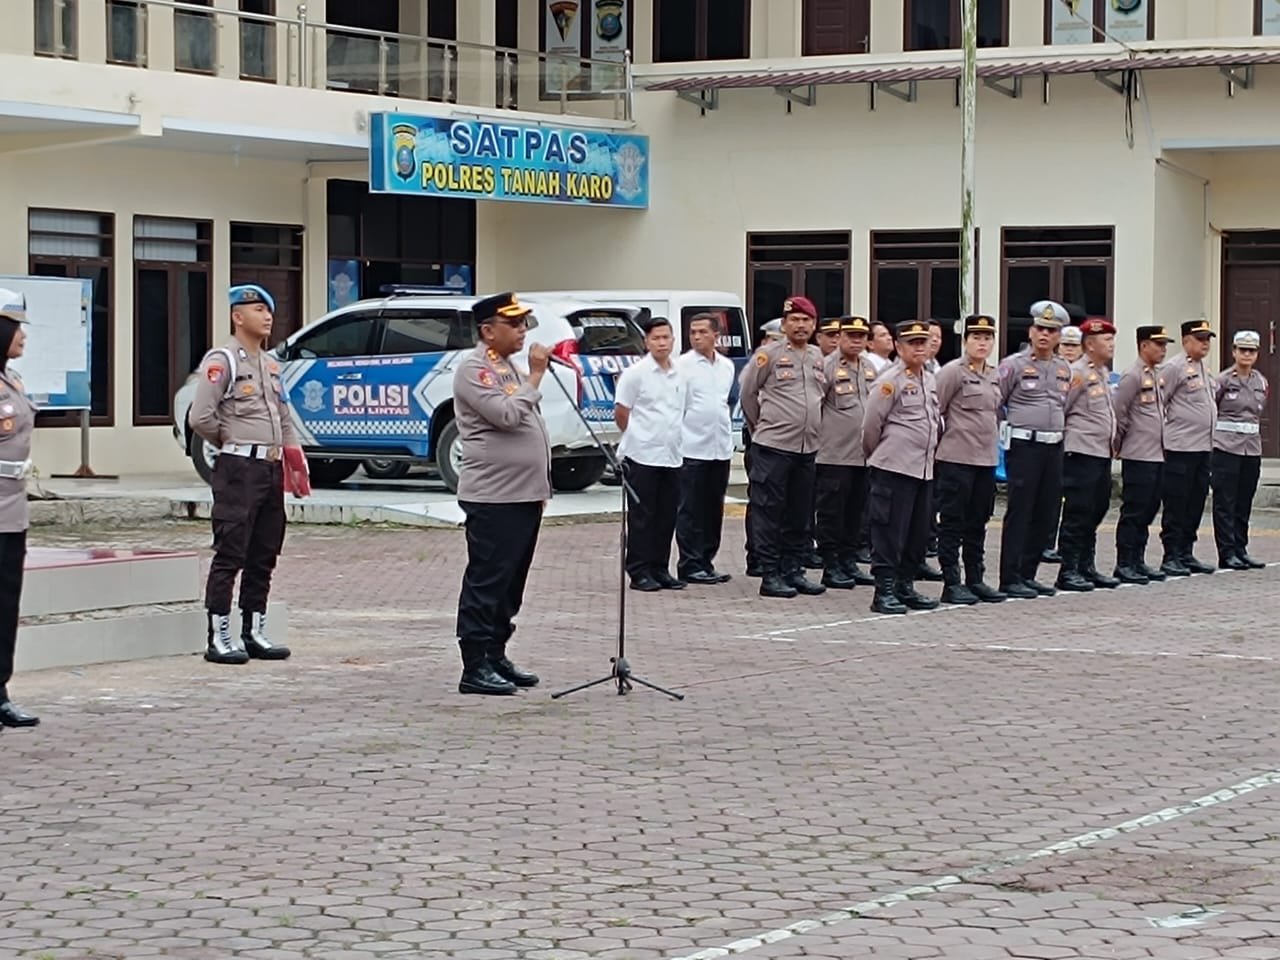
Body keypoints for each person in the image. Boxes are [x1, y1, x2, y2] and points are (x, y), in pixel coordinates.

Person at [191, 284, 307, 665]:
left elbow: (283, 417)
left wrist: (292, 458)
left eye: (268, 310)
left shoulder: (271, 364)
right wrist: (231, 441)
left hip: (269, 468)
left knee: (264, 552)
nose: (267, 316)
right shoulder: (222, 360)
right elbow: (200, 417)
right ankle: (219, 634)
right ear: (237, 317)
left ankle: (253, 629)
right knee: (231, 551)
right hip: (239, 467)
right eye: (257, 309)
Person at [452, 292, 551, 695]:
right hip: (494, 496)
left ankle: (496, 653)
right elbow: (508, 416)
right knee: (488, 579)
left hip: (522, 493)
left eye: (525, 323)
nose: (523, 331)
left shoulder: (506, 366)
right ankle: (474, 664)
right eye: (515, 324)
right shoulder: (476, 369)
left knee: (512, 582)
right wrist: (536, 377)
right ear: (488, 330)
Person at [738, 295, 826, 599]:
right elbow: (748, 394)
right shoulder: (769, 355)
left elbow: (821, 397)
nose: (800, 326)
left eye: (806, 321)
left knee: (800, 514)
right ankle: (770, 573)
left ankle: (794, 570)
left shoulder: (817, 356)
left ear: (814, 325)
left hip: (807, 448)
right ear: (784, 324)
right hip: (773, 447)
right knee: (769, 512)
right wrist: (760, 427)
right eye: (794, 320)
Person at [861, 320, 942, 614]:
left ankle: (905, 586)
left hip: (923, 468)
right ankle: (884, 591)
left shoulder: (929, 378)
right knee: (889, 531)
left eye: (924, 342)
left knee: (917, 532)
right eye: (912, 343)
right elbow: (871, 426)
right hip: (894, 467)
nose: (920, 348)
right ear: (898, 347)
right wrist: (879, 455)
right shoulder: (889, 380)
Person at [997, 300, 1072, 599]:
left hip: (1053, 446)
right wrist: (1010, 431)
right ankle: (1010, 575)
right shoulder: (1013, 365)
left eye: (1051, 331)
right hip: (1025, 445)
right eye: (1040, 328)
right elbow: (995, 403)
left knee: (1046, 512)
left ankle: (1028, 573)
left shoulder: (1063, 368)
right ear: (1031, 331)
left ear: (1058, 337)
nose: (1044, 335)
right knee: (1021, 510)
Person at [933, 314, 1004, 605]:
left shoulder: (994, 374)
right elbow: (935, 411)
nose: (982, 343)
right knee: (952, 522)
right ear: (965, 342)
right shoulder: (953, 372)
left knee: (978, 521)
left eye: (987, 338)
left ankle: (976, 579)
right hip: (956, 458)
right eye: (976, 337)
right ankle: (952, 581)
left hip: (985, 460)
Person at [616, 316, 687, 592]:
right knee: (642, 517)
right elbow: (622, 412)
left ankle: (660, 567)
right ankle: (639, 570)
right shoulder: (636, 374)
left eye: (666, 337)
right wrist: (637, 437)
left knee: (667, 515)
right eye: (656, 338)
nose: (661, 342)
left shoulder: (679, 373)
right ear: (646, 341)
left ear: (672, 340)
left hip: (672, 455)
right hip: (642, 454)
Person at [1056, 318, 1120, 592]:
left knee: (1098, 507)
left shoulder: (1102, 372)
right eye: (1107, 341)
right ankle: (1068, 568)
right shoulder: (1077, 373)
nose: (1112, 345)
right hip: (1081, 451)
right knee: (1078, 511)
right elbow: (1063, 409)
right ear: (1090, 344)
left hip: (1101, 452)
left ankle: (1086, 565)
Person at [0, 290, 39, 728]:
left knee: (6, 603)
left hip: (12, 510)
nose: (23, 335)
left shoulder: (12, 381)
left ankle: (0, 691)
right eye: (16, 327)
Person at [814, 316, 877, 590]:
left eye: (861, 336)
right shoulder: (827, 366)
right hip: (834, 455)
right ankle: (831, 565)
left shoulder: (870, 366)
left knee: (856, 513)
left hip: (862, 455)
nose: (856, 341)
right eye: (851, 335)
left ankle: (849, 561)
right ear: (839, 337)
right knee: (832, 513)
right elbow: (814, 406)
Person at [675, 313, 735, 585]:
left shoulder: (726, 366)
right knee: (690, 509)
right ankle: (690, 563)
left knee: (713, 508)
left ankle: (707, 560)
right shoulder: (682, 366)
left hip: (719, 446)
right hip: (691, 446)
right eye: (692, 332)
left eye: (702, 332)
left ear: (716, 335)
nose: (697, 337)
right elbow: (678, 406)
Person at [1111, 325, 1174, 584]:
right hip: (1138, 453)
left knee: (1149, 508)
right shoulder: (1132, 375)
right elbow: (1120, 412)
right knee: (1134, 509)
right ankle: (1125, 562)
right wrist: (1118, 444)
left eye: (1164, 345)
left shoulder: (1156, 375)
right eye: (1158, 344)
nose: (1163, 350)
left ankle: (1138, 559)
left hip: (1157, 453)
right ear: (1143, 345)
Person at [1158, 320, 1218, 577]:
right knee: (1177, 504)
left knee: (1195, 502)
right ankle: (1171, 555)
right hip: (1180, 449)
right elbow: (1161, 403)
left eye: (1207, 338)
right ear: (1185, 341)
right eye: (1199, 338)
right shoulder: (1174, 368)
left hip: (1203, 448)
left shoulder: (1203, 368)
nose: (1205, 343)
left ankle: (1186, 552)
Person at [1211, 330, 1269, 570]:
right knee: (1225, 501)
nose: (1246, 354)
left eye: (1251, 350)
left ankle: (1240, 548)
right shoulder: (1223, 380)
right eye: (1242, 350)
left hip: (1251, 449)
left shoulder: (1261, 381)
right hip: (1226, 448)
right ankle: (1227, 552)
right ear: (1233, 352)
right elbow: (1212, 407)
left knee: (1244, 501)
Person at [743, 318, 785, 577]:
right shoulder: (760, 362)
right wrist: (761, 427)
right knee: (762, 501)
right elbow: (748, 398)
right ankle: (757, 555)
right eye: (773, 339)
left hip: (787, 441)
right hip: (762, 437)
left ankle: (779, 555)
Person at [1042, 323, 1083, 563]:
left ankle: (1059, 541)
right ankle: (1046, 541)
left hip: (1073, 442)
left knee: (1071, 498)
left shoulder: (1079, 373)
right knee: (1051, 496)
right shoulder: (1056, 370)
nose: (1069, 350)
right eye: (1066, 345)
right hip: (1056, 440)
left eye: (1074, 346)